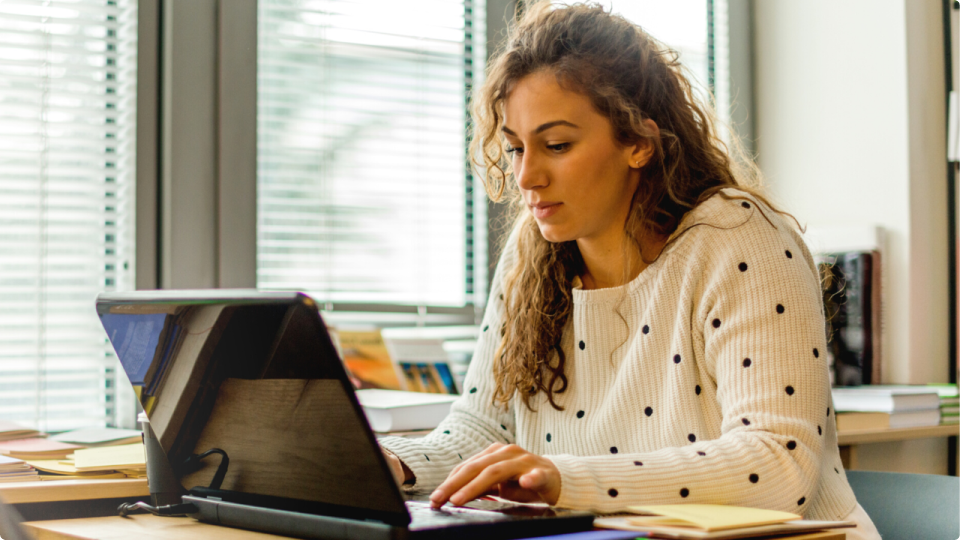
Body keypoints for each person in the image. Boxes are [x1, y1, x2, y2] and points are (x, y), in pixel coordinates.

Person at [379, 3, 880, 539]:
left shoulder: (738, 240)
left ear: (638, 142)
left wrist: (560, 478)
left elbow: (777, 465)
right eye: (515, 147)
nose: (527, 176)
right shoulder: (531, 254)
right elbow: (482, 430)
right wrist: (387, 464)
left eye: (556, 145)